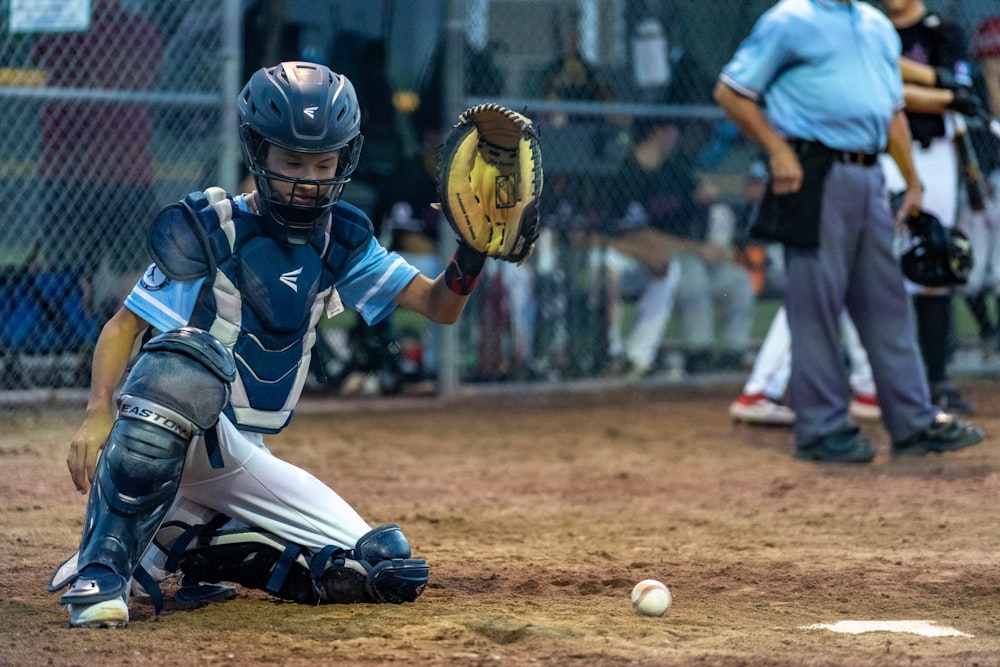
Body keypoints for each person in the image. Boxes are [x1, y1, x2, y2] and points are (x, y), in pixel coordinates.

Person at [48, 62, 510, 628]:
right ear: (257, 151)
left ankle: (179, 541)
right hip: (175, 433)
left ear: (347, 158)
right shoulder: (212, 226)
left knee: (382, 567)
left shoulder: (342, 237)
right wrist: (98, 413)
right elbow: (125, 327)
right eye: (291, 161)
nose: (308, 179)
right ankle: (102, 569)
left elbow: (441, 306)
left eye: (323, 163)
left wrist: (473, 249)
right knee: (181, 360)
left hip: (242, 458)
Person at [713, 0, 984, 462]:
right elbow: (731, 92)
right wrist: (777, 151)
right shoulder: (789, 19)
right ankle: (822, 430)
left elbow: (892, 109)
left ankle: (914, 422)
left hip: (869, 174)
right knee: (815, 306)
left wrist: (912, 179)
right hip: (812, 171)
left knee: (889, 303)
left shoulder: (876, 24)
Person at [31, 0, 164, 326]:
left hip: (73, 169)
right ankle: (123, 348)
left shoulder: (63, 26)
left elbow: (37, 55)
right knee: (129, 269)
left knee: (70, 270)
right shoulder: (139, 29)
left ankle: (74, 338)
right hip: (122, 170)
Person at [879, 0, 978, 414]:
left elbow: (961, 90)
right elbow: (891, 95)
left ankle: (936, 377)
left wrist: (949, 97)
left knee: (935, 264)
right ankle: (885, 378)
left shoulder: (943, 31)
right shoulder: (872, 29)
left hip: (936, 154)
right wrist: (942, 97)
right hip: (884, 154)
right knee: (885, 266)